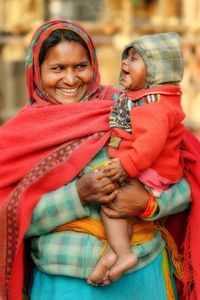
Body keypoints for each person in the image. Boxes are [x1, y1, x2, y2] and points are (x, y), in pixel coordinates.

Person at [0, 19, 198, 300]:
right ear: (36, 72)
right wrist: (78, 196)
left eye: (80, 66)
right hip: (63, 285)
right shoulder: (18, 138)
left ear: (93, 66)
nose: (70, 79)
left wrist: (149, 204)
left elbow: (188, 180)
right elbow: (9, 218)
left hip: (143, 278)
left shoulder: (129, 108)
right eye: (57, 69)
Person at [87, 32, 186, 286]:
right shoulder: (148, 100)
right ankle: (116, 253)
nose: (124, 65)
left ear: (156, 71)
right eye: (126, 58)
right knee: (121, 212)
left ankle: (121, 252)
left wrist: (125, 165)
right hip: (150, 169)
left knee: (111, 201)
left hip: (147, 171)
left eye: (134, 59)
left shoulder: (152, 106)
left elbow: (149, 145)